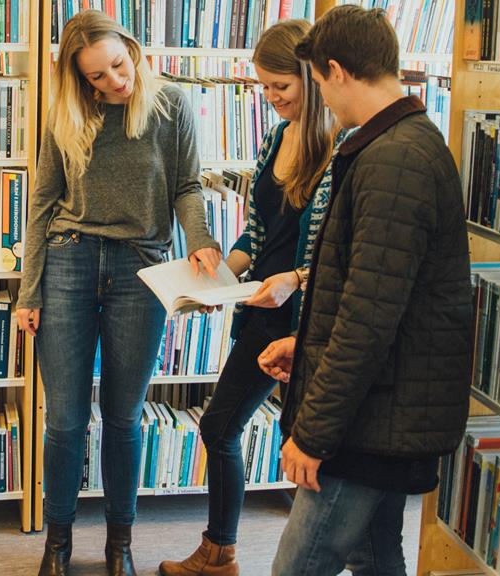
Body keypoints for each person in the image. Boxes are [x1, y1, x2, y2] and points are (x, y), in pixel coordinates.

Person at [256, 6, 474, 575]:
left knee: (300, 564)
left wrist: (313, 434)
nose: (321, 98)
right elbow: (374, 294)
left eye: (320, 83)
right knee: (375, 558)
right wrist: (305, 351)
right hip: (381, 407)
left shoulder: (396, 159)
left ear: (337, 70)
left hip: (371, 421)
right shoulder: (395, 145)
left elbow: (367, 319)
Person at [14, 10, 222, 576]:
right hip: (69, 261)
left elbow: (185, 186)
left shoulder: (171, 104)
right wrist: (28, 292)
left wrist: (200, 241)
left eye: (118, 66)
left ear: (131, 49)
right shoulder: (67, 114)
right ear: (79, 80)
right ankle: (57, 544)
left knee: (125, 417)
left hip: (141, 269)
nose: (114, 82)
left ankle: (119, 544)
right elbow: (41, 204)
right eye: (97, 78)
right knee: (64, 419)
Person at [158, 19, 344, 576]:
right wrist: (214, 271)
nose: (270, 99)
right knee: (220, 427)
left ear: (313, 79)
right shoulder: (274, 138)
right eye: (262, 87)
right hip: (260, 309)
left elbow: (343, 253)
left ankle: (285, 557)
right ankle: (222, 551)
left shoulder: (345, 149)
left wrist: (296, 278)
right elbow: (259, 234)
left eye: (280, 87)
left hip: (308, 316)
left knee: (302, 443)